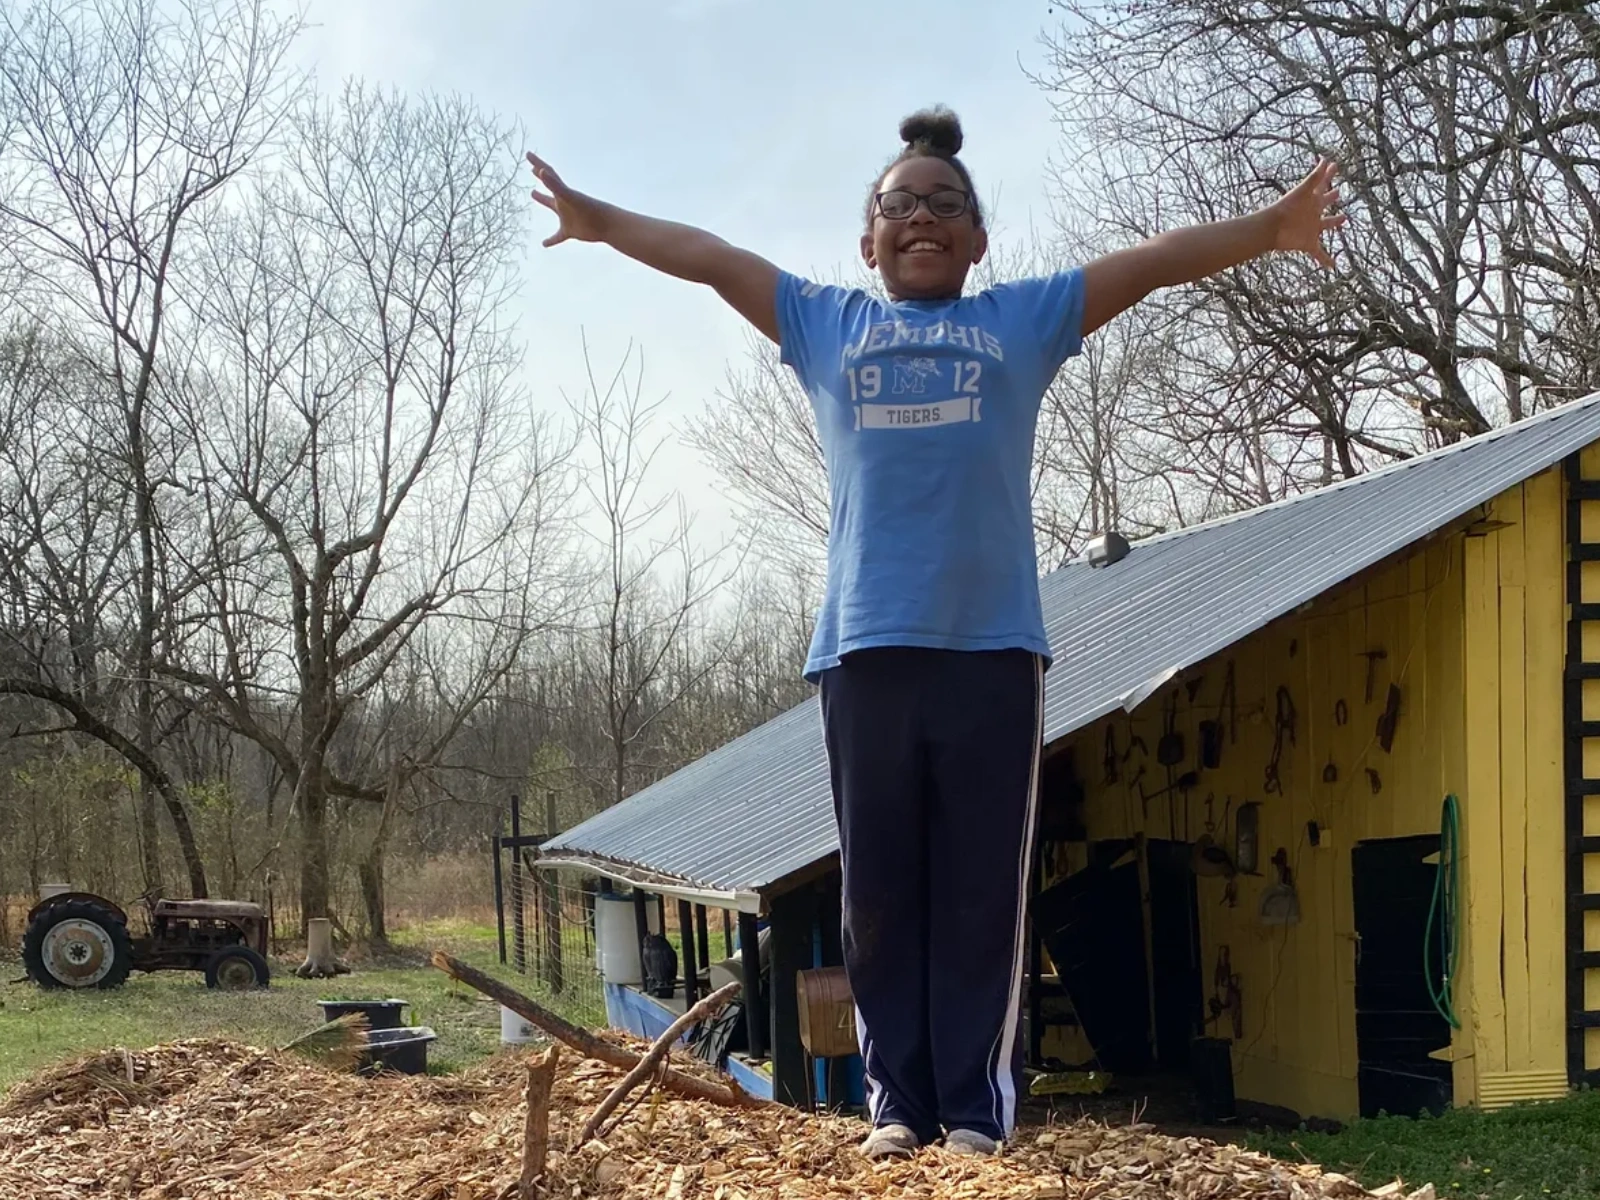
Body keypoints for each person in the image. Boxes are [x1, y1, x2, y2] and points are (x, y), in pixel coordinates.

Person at [527, 106, 1341, 1158]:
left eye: (944, 205)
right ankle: (897, 1106)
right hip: (864, 652)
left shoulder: (1021, 320)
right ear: (868, 239)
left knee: (978, 895)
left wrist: (1266, 229)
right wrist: (599, 219)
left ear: (977, 237)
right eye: (898, 204)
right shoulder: (828, 325)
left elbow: (1148, 264)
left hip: (992, 652)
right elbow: (713, 259)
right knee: (878, 892)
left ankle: (973, 1109)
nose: (921, 218)